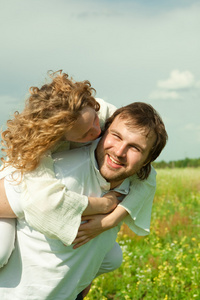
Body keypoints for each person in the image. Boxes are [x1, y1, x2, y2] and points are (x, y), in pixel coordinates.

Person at [0, 102, 168, 300]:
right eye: (116, 136)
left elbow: (149, 180)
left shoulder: (133, 186)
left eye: (135, 148)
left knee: (113, 257)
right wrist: (106, 205)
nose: (119, 152)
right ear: (104, 132)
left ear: (147, 161)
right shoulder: (55, 174)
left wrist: (84, 276)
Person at [0, 70, 158, 266]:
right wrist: (104, 205)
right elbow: (45, 204)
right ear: (58, 138)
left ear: (91, 103)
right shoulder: (40, 154)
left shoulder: (102, 112)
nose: (97, 131)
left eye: (93, 121)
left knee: (111, 257)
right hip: (9, 197)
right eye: (84, 135)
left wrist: (112, 219)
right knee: (1, 250)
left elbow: (147, 175)